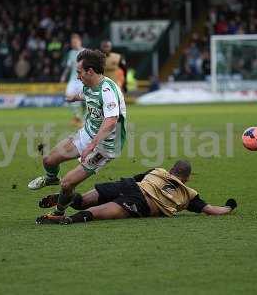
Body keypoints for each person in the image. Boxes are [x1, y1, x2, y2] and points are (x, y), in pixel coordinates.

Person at [28, 49, 127, 221]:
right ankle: (51, 178)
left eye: (79, 72)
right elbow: (86, 95)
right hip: (87, 134)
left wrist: (91, 146)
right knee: (48, 160)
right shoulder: (89, 85)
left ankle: (58, 213)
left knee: (67, 183)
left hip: (104, 146)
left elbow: (111, 121)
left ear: (90, 71)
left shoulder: (108, 91)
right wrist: (74, 98)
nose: (77, 76)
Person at [36, 160, 238, 224]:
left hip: (130, 185)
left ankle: (68, 199)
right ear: (186, 177)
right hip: (140, 202)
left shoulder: (158, 171)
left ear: (172, 170)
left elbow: (136, 179)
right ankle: (68, 220)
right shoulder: (189, 194)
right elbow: (211, 210)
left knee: (85, 200)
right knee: (100, 212)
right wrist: (229, 206)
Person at [60, 33, 85, 128]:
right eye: (72, 42)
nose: (73, 44)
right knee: (68, 96)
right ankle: (77, 117)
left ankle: (83, 119)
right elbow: (68, 67)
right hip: (73, 80)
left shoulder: (85, 52)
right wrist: (63, 76)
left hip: (83, 80)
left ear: (79, 41)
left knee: (85, 101)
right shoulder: (70, 53)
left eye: (75, 42)